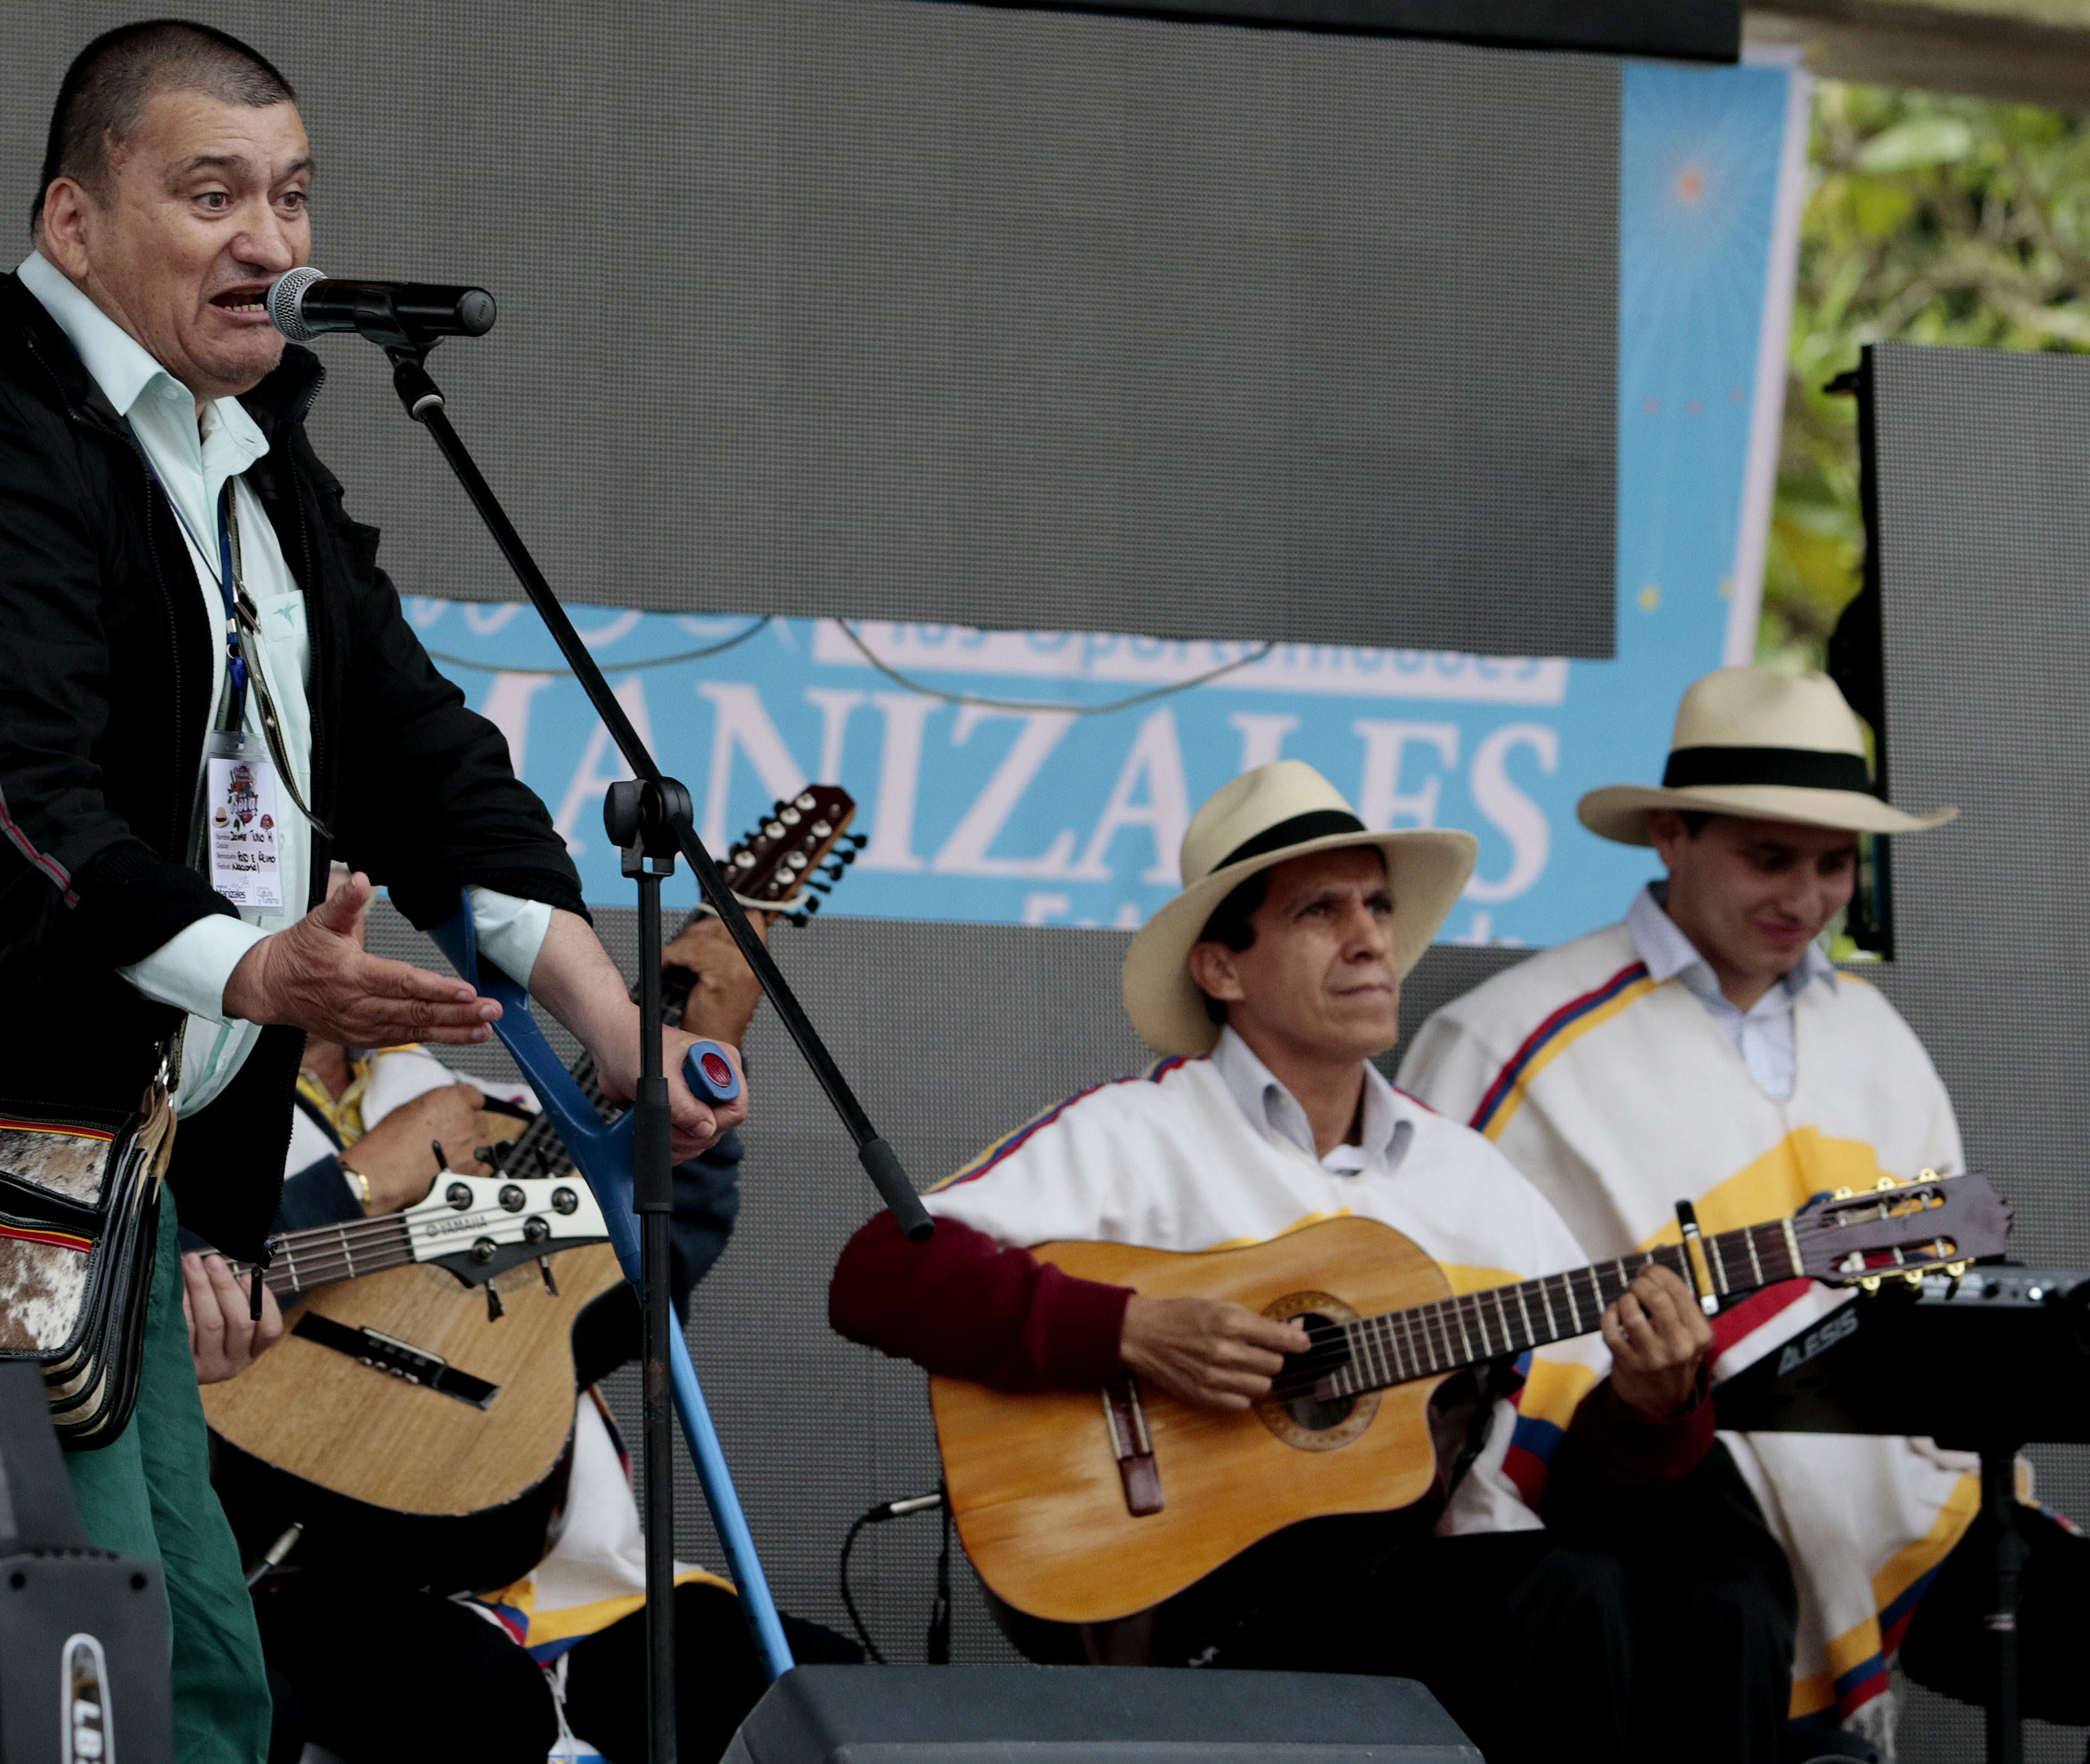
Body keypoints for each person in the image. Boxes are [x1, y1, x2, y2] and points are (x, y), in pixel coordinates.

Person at [0, 21, 744, 1764]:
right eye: (214, 193)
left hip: (143, 1191)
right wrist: (260, 978)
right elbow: (0, 810)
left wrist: (605, 1010)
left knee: (195, 1680)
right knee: (65, 1676)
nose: (274, 238)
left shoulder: (258, 461)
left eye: (294, 194)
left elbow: (413, 748)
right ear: (76, 218)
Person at [830, 760, 1787, 1764]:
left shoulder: (1472, 1182)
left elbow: (1579, 1499)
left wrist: (1652, 1407)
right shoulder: (1137, 1134)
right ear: (1222, 969)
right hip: (1199, 1614)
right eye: (1320, 911)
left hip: (1429, 1604)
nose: (1373, 936)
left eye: (1377, 904)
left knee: (1697, 1585)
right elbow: (877, 1273)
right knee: (1564, 1591)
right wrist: (1129, 1330)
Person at [1399, 666, 2075, 1750]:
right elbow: (1438, 1324)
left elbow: (1942, 1294)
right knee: (1726, 1610)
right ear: (1669, 835)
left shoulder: (1878, 1036)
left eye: (1833, 864)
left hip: (1896, 1498)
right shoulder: (1510, 1035)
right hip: (1647, 1482)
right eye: (1769, 857)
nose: (1803, 898)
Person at [189, 909, 844, 1764]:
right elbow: (165, 1285)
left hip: (558, 1562)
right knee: (472, 1699)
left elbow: (660, 1263)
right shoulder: (187, 1126)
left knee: (812, 1687)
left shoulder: (484, 1114)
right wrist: (359, 1182)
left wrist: (705, 1059)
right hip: (290, 1557)